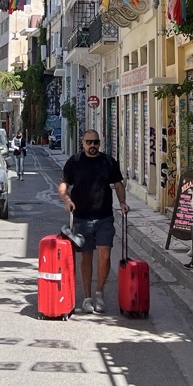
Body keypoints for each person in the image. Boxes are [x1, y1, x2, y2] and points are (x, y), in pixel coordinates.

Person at [58, 129, 128, 314]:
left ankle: (99, 293)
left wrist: (122, 202)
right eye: (89, 142)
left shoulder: (107, 161)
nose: (92, 146)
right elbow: (64, 184)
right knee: (86, 257)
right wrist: (67, 200)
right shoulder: (75, 161)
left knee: (105, 255)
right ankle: (87, 297)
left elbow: (118, 183)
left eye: (95, 142)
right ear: (83, 143)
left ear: (100, 143)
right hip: (82, 218)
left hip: (104, 216)